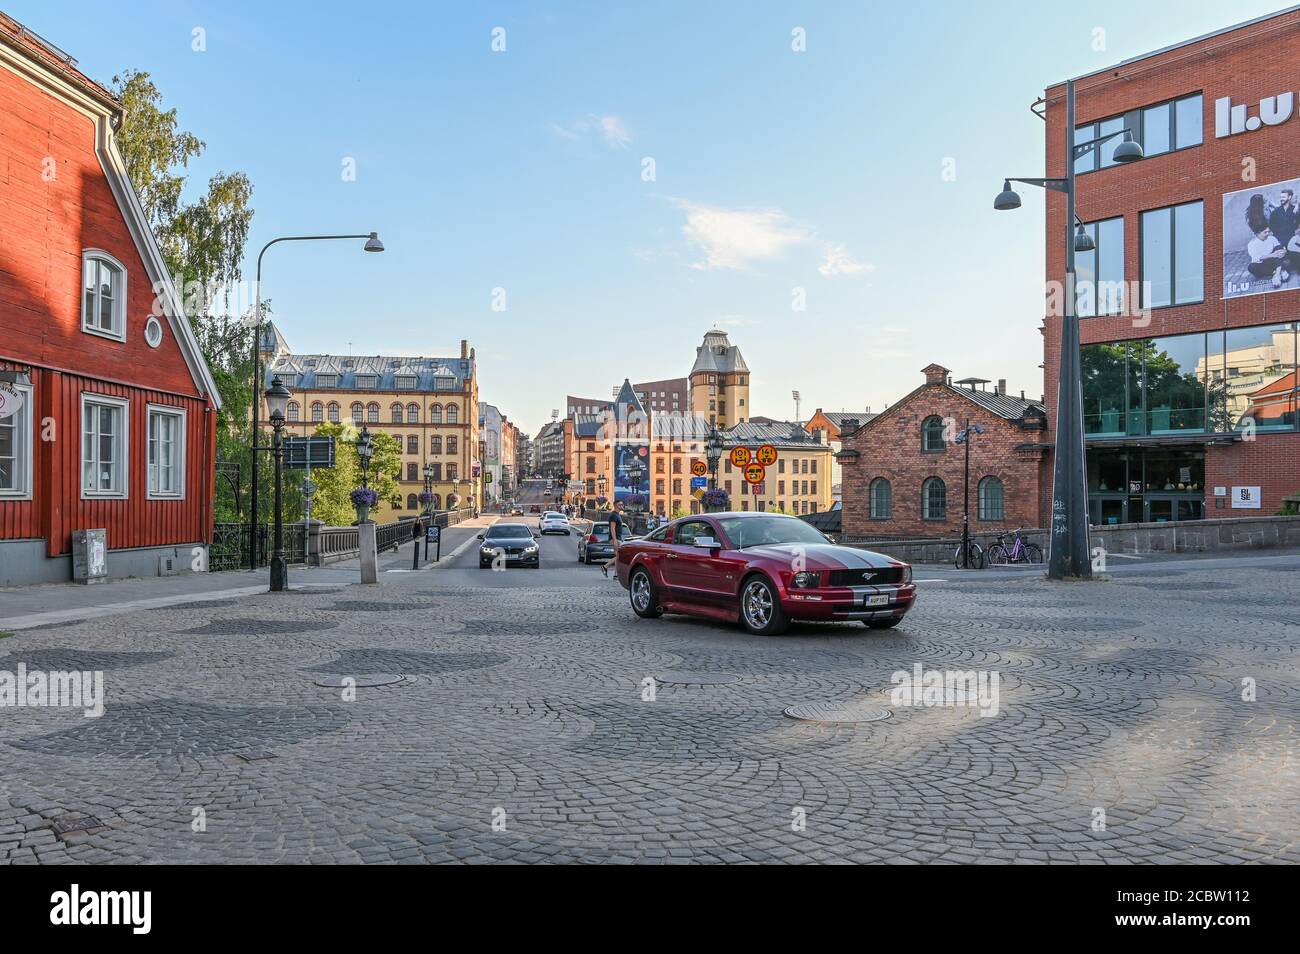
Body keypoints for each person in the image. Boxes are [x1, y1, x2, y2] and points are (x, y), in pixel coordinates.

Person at [601, 502, 625, 578]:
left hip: (618, 538)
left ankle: (615, 575)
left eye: (622, 504)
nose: (622, 506)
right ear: (616, 506)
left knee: (618, 556)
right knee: (620, 556)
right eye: (620, 505)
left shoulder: (617, 515)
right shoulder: (613, 515)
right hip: (616, 539)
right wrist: (614, 540)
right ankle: (605, 566)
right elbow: (612, 528)